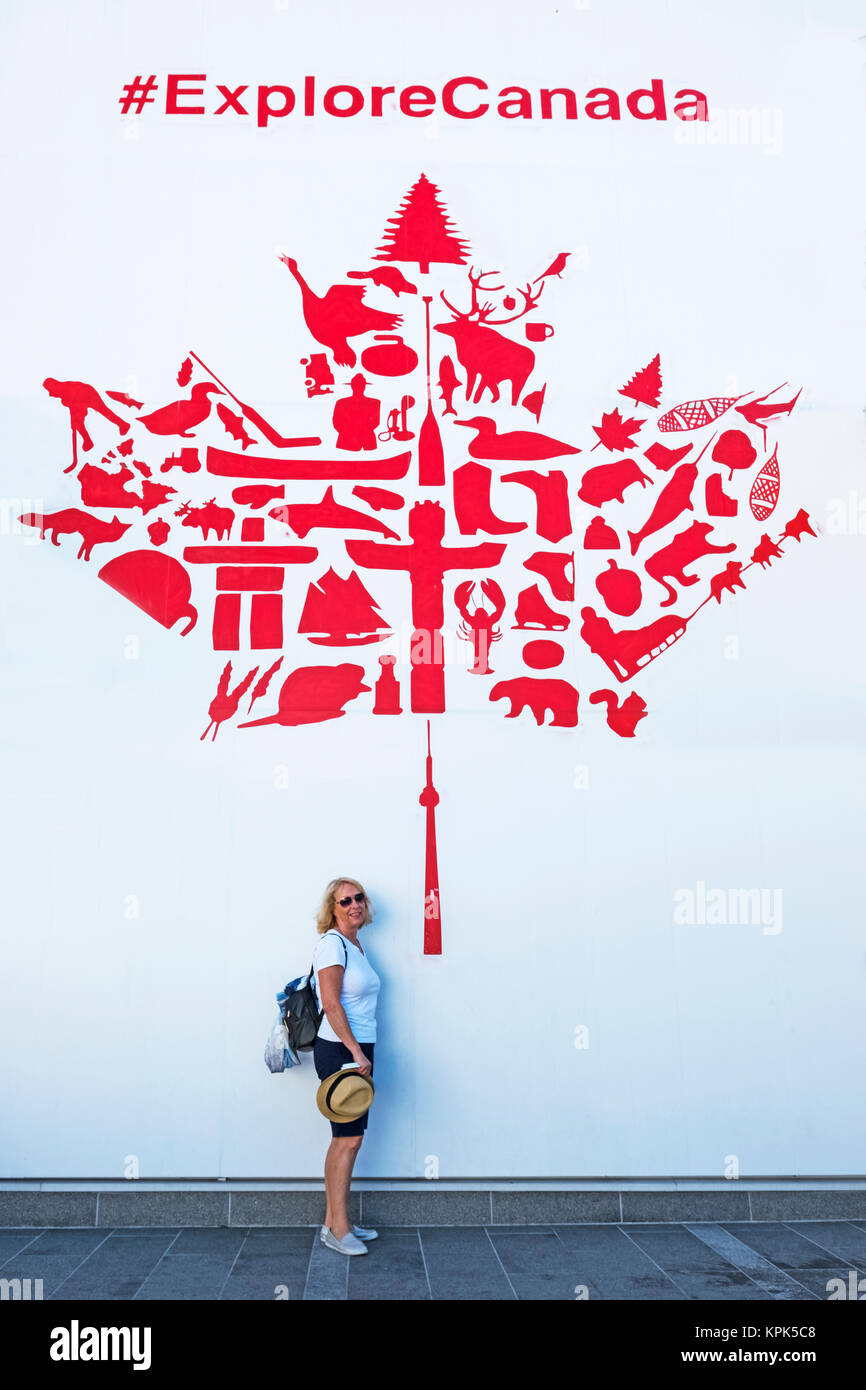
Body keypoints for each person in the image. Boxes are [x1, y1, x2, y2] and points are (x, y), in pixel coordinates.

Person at [312, 876, 381, 1256]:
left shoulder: (355, 945)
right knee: (347, 1139)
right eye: (344, 901)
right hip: (340, 1049)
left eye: (358, 898)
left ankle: (336, 1222)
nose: (354, 904)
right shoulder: (331, 945)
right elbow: (332, 1003)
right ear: (332, 909)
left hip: (357, 1049)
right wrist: (355, 1052)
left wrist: (362, 1050)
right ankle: (337, 1231)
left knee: (350, 1139)